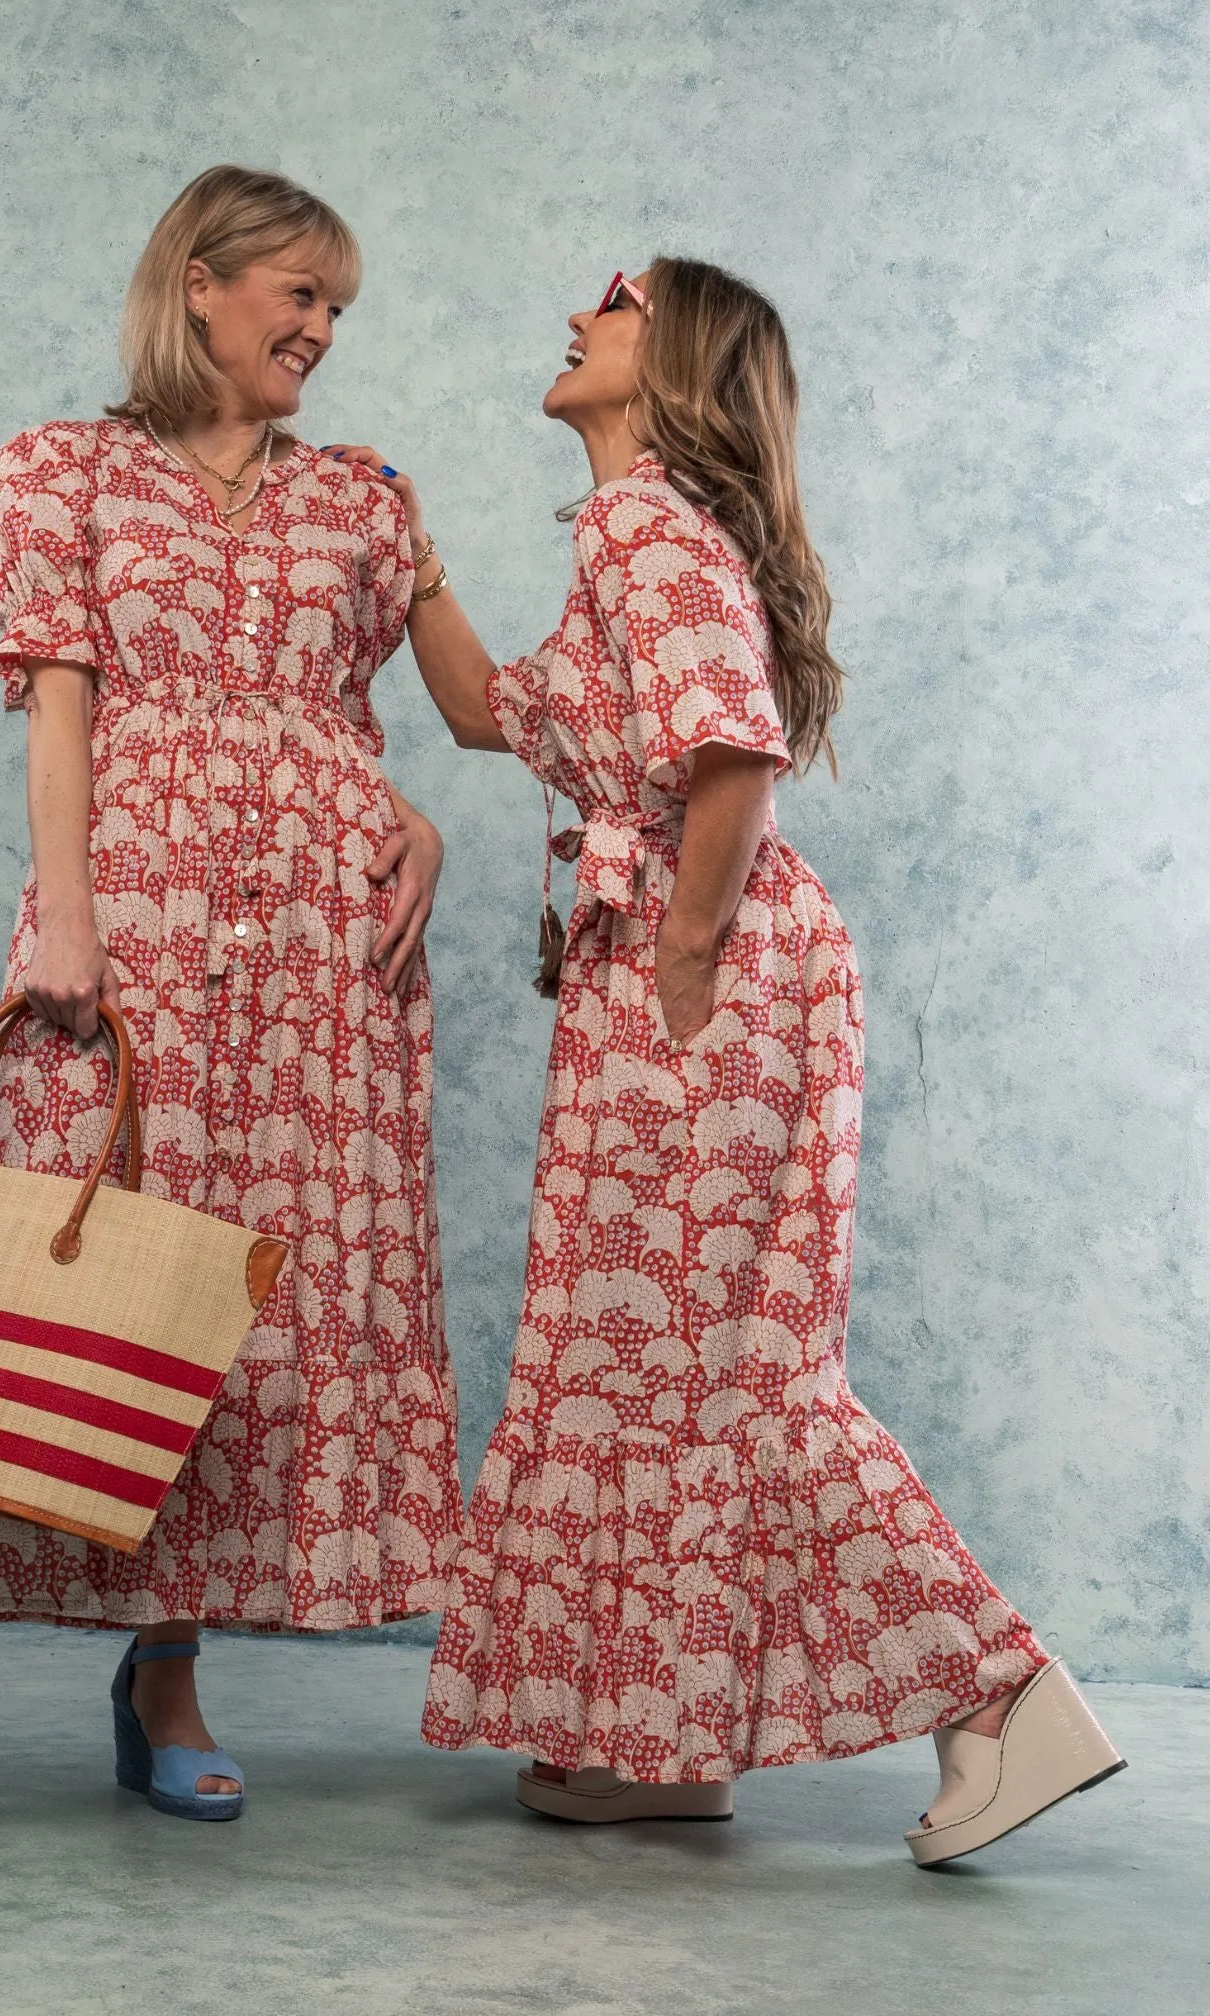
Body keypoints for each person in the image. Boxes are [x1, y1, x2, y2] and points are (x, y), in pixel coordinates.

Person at [329, 259, 1124, 1865]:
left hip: (712, 970)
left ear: (673, 364)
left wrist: (682, 955)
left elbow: (735, 746)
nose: (577, 313)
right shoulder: (639, 535)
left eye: (616, 307)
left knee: (735, 1370)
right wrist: (411, 566)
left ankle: (1001, 1692)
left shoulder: (647, 523)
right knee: (650, 1368)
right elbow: (496, 715)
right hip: (695, 967)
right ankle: (662, 1740)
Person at [0, 166, 462, 1845]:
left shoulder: (363, 498)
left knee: (226, 1320)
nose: (323, 332)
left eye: (338, 310)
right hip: (137, 931)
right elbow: (59, 714)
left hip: (322, 972)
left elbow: (369, 719)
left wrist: (412, 821)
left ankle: (165, 1677)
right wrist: (71, 925)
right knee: (35, 1292)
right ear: (200, 281)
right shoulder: (70, 469)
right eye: (299, 296)